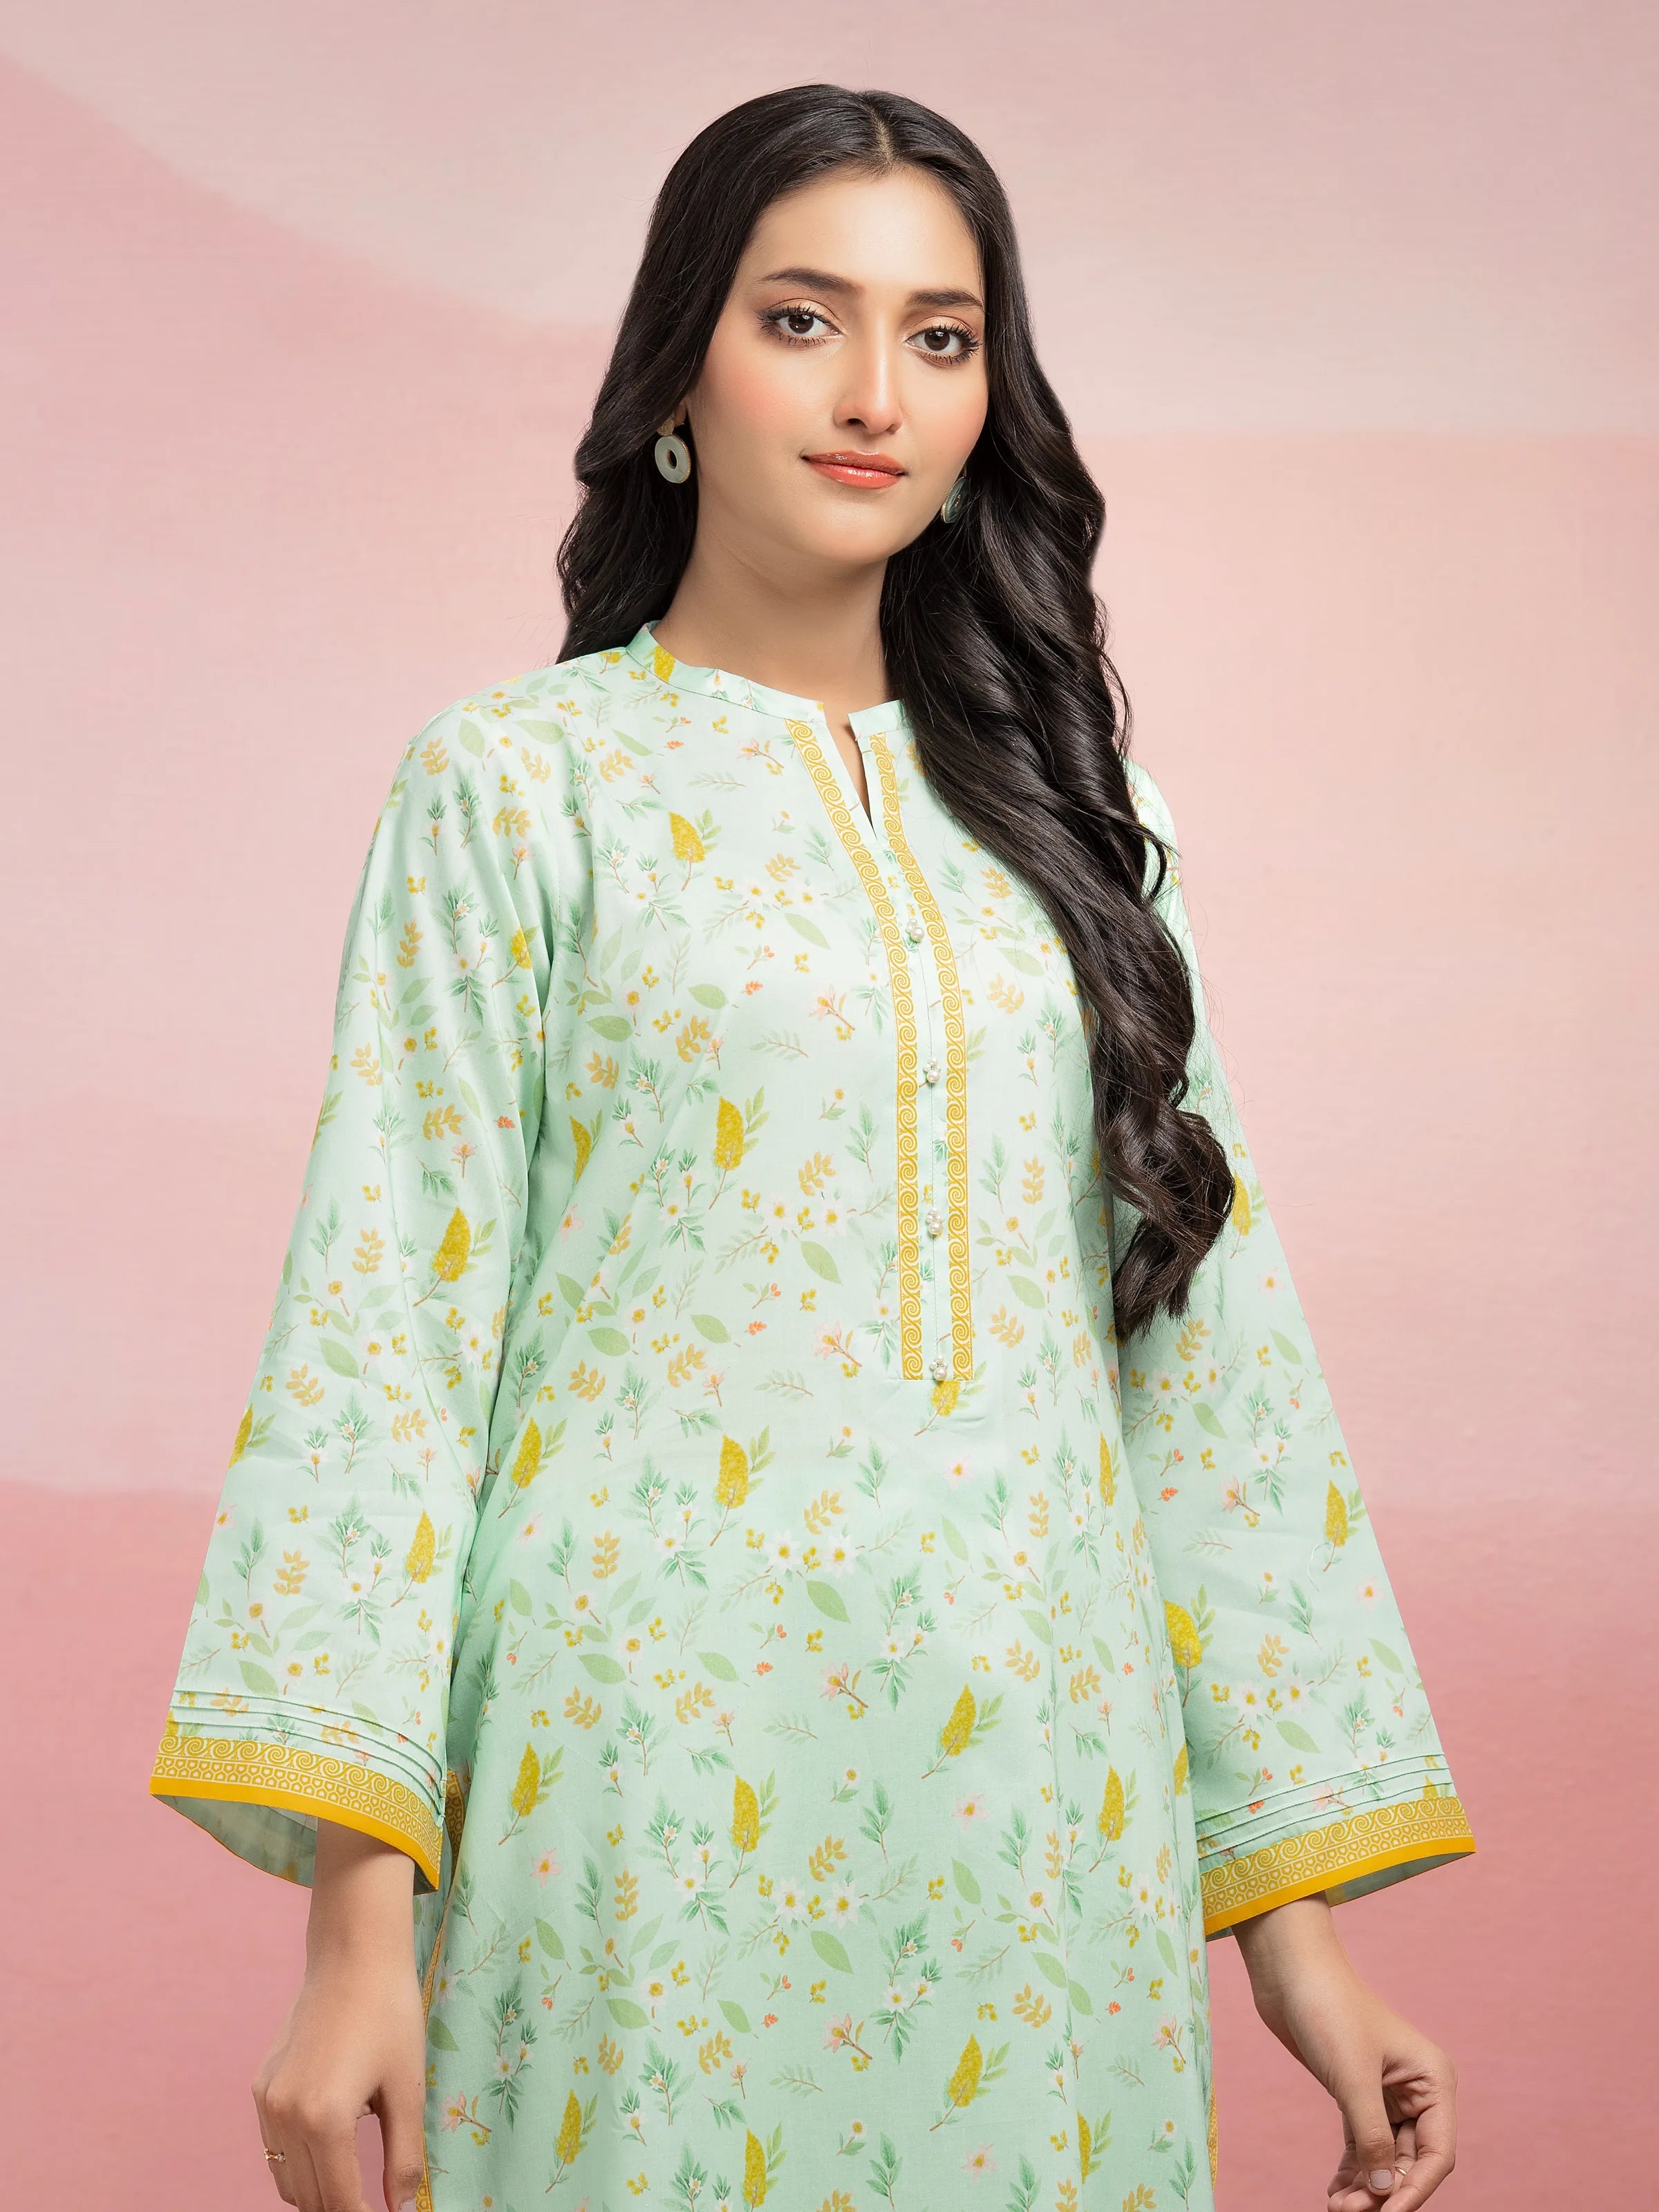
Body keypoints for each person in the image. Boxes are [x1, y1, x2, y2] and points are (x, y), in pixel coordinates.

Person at [147, 84, 1477, 2212]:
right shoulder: (521, 790)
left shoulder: (1088, 838)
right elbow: (385, 1339)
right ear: (678, 373)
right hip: (640, 1794)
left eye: (941, 339)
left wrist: (1299, 1945)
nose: (877, 396)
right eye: (803, 320)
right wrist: (354, 1937)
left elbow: (1204, 1379)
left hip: (1048, 1814)